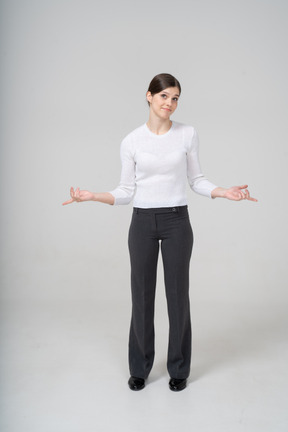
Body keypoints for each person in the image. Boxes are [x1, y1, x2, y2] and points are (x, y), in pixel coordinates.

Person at [63, 73, 257, 392]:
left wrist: (224, 191)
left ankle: (179, 369)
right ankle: (139, 368)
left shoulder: (187, 134)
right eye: (165, 96)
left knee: (177, 297)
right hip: (141, 223)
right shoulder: (131, 141)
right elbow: (126, 191)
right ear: (149, 96)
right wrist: (92, 196)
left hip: (176, 222)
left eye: (176, 98)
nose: (170, 103)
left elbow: (197, 180)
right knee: (141, 297)